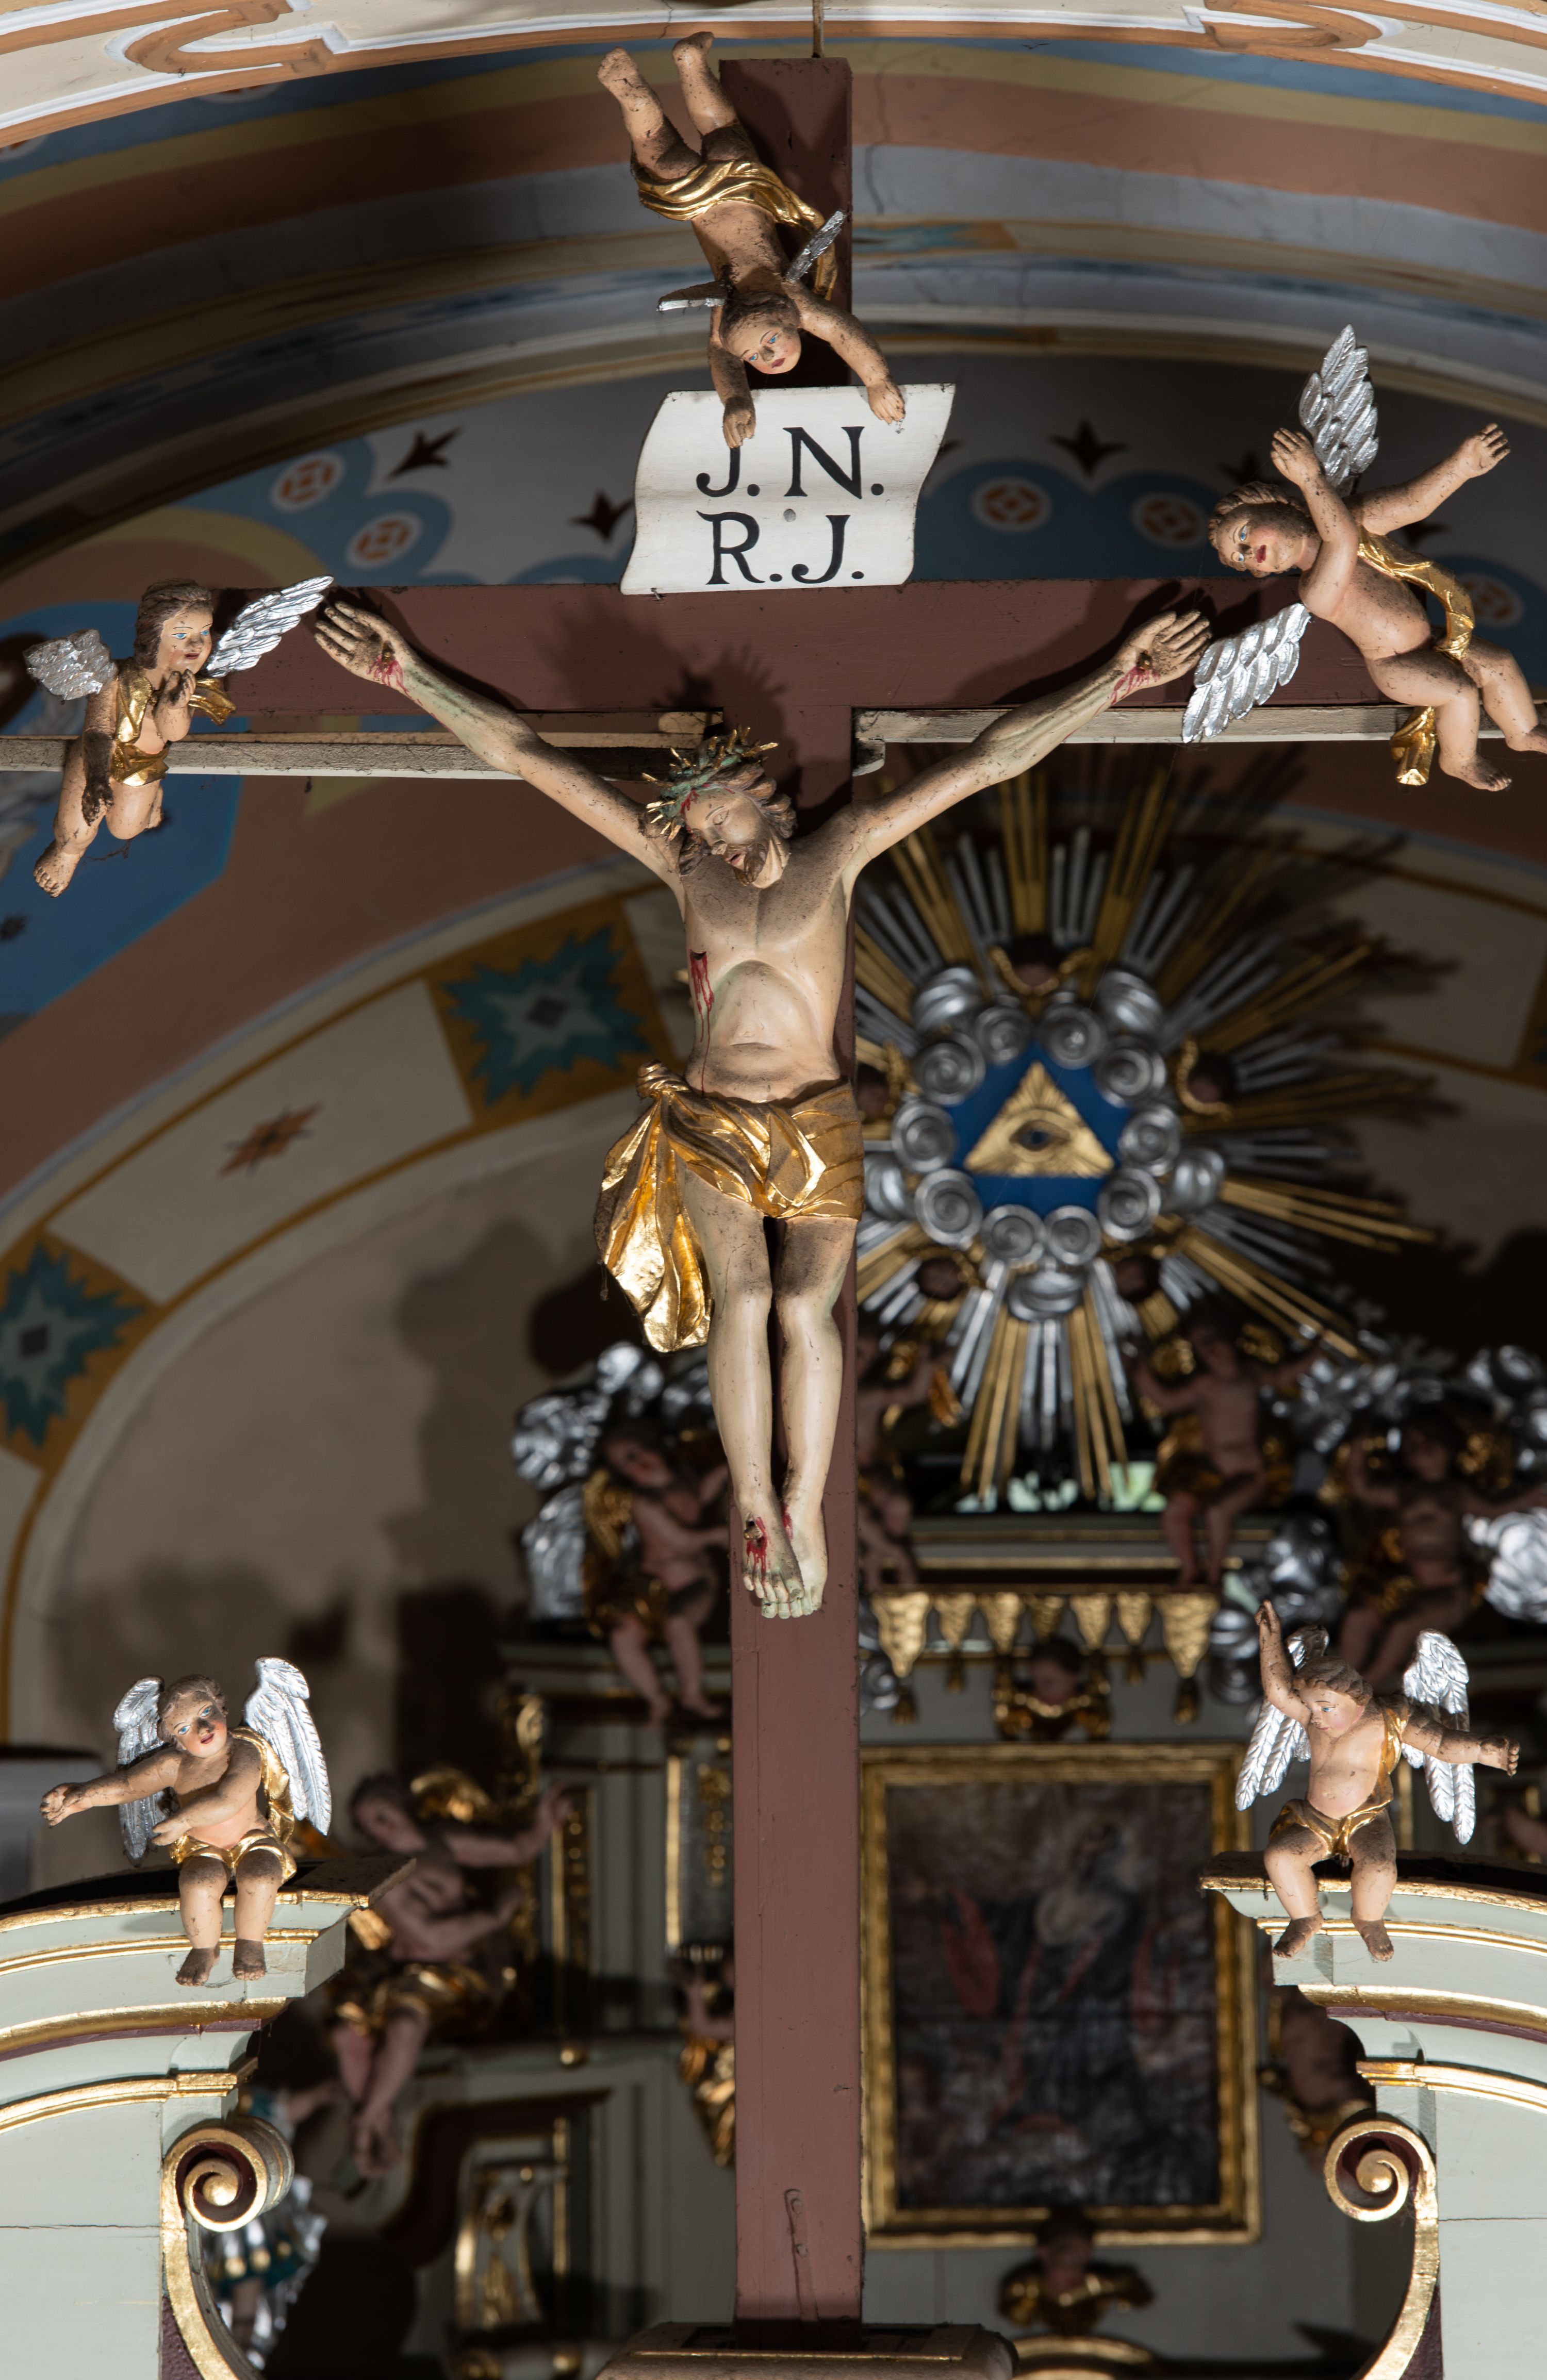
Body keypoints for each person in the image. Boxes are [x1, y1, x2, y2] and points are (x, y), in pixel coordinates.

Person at [314, 593, 1208, 1620]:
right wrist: (406, 676)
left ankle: (805, 1505)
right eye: (701, 832)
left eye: (725, 821)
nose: (719, 844)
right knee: (742, 1299)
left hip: (819, 1119)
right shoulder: (686, 869)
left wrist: (1120, 678)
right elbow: (530, 758)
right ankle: (753, 1500)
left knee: (802, 1306)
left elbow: (992, 760)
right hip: (714, 1116)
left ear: (762, 794)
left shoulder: (840, 849)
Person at [598, 33, 903, 449]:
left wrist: (738, 399)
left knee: (718, 130)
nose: (768, 358)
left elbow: (838, 333)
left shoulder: (788, 302)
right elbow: (837, 333)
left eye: (755, 355)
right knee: (666, 139)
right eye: (769, 344)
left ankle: (683, 66)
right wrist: (877, 380)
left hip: (744, 188)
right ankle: (648, 86)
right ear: (785, 321)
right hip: (703, 197)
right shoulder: (758, 301)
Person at [1208, 422, 1546, 789]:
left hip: (1432, 642)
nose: (1247, 554)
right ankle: (1460, 760)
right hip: (1396, 665)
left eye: (1242, 535)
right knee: (1458, 691)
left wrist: (1461, 466)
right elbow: (1340, 542)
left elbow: (1411, 503)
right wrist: (1310, 479)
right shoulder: (1314, 589)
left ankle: (1523, 732)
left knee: (1498, 663)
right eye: (1240, 559)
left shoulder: (1351, 519)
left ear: (1274, 506)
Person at [1254, 1604, 1517, 1962]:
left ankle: (1368, 1920)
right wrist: (1269, 1640)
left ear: (1355, 1697)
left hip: (1366, 1818)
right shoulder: (1314, 1719)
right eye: (1311, 1709)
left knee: (1378, 1866)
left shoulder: (1389, 1718)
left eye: (1326, 1708)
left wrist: (1484, 1751)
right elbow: (1279, 1692)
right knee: (1281, 1856)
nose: (1316, 1718)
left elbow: (1441, 1744)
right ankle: (1305, 1918)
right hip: (1315, 1819)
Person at [337, 1775, 568, 2174]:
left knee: (405, 2024)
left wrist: (545, 1822)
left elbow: (516, 1849)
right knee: (351, 2032)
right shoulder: (386, 1876)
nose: (380, 1826)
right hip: (415, 1973)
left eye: (382, 1812)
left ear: (401, 1803)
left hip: (464, 1972)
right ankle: (373, 2121)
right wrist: (493, 1917)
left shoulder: (441, 1839)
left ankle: (368, 2123)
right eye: (369, 1825)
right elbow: (433, 1937)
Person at [41, 1671, 301, 1986]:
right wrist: (81, 1795)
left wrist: (184, 1820)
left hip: (252, 1839)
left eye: (206, 1713)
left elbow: (230, 1799)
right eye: (184, 1728)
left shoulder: (243, 1751)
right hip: (203, 1848)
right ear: (175, 1739)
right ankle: (204, 1949)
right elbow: (127, 1786)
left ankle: (250, 1944)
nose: (202, 1729)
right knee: (197, 1883)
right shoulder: (174, 1764)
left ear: (222, 1708)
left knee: (260, 1875)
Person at [32, 581, 233, 896]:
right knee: (76, 832)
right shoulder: (115, 677)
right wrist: (98, 778)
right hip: (99, 756)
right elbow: (98, 731)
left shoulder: (187, 684)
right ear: (155, 637)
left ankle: (153, 795)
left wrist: (175, 706)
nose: (197, 644)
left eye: (205, 632)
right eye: (181, 635)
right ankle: (67, 854)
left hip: (145, 763)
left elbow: (173, 734)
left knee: (125, 829)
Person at [1338, 1417, 1547, 1688]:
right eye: (1413, 1445)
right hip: (1405, 1582)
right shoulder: (1405, 1490)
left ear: (1448, 1450)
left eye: (1429, 1444)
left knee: (1405, 1626)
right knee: (1358, 1615)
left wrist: (1530, 1498)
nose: (1421, 1450)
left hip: (1447, 1586)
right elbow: (1363, 1487)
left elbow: (1493, 1509)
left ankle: (1363, 1688)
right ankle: (1341, 1685)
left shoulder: (1455, 1492)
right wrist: (1358, 1445)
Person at [1123, 1308, 1316, 1589]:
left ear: (1231, 1339)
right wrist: (1141, 1373)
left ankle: (1214, 1575)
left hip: (1249, 1475)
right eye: (1200, 1346)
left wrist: (1317, 1350)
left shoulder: (1251, 1375)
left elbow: (1285, 1374)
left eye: (1212, 1340)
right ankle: (1190, 1569)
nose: (1210, 1351)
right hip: (1211, 1474)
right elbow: (1167, 1400)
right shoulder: (1204, 1385)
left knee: (1217, 1512)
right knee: (1175, 1511)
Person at [584, 1423, 728, 1723]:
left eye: (636, 1452)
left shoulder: (684, 1480)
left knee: (679, 1622)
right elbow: (681, 1540)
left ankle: (692, 1695)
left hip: (693, 1583)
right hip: (650, 1589)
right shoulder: (644, 1502)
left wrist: (730, 1467)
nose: (638, 1463)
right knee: (622, 1635)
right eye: (626, 1463)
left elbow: (700, 1497)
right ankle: (656, 1699)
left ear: (653, 1446)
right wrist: (717, 1535)